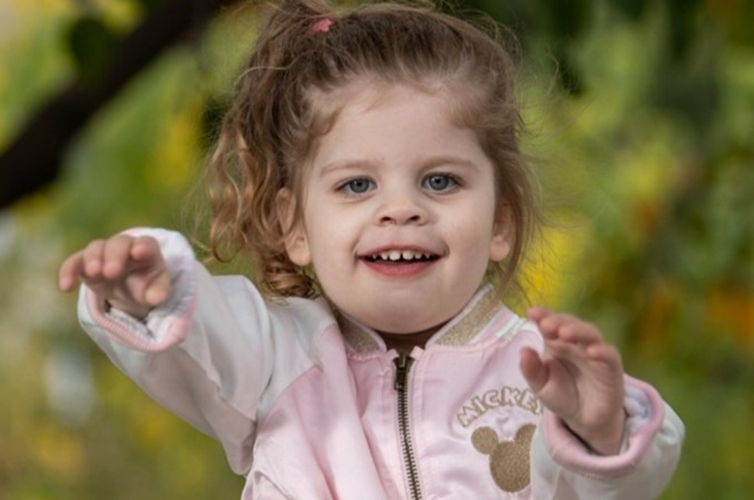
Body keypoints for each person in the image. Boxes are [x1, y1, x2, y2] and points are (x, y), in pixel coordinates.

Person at [58, 0, 684, 498]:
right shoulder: (278, 358)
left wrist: (602, 430)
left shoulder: (538, 372)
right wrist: (153, 291)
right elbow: (202, 340)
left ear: (502, 221)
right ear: (295, 226)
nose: (401, 208)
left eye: (440, 181)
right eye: (357, 185)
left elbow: (625, 481)